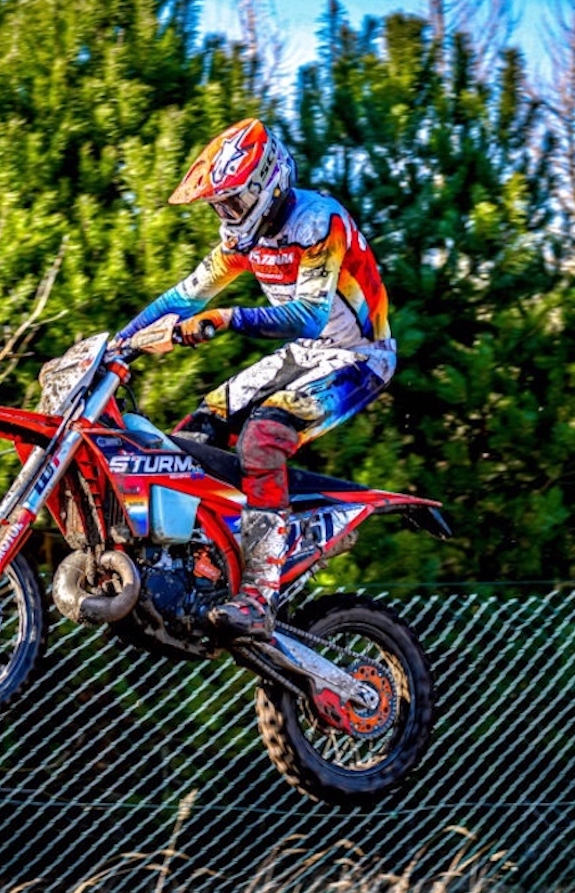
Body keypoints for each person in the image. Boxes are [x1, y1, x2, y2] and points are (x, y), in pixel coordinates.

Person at [117, 118, 395, 642]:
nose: (227, 214)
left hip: (360, 357)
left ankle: (259, 595)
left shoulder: (318, 222)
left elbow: (310, 314)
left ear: (266, 183)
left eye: (234, 201)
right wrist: (118, 344)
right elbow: (186, 295)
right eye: (220, 205)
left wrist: (226, 319)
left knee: (263, 437)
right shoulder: (245, 239)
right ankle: (203, 563)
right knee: (198, 428)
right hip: (307, 354)